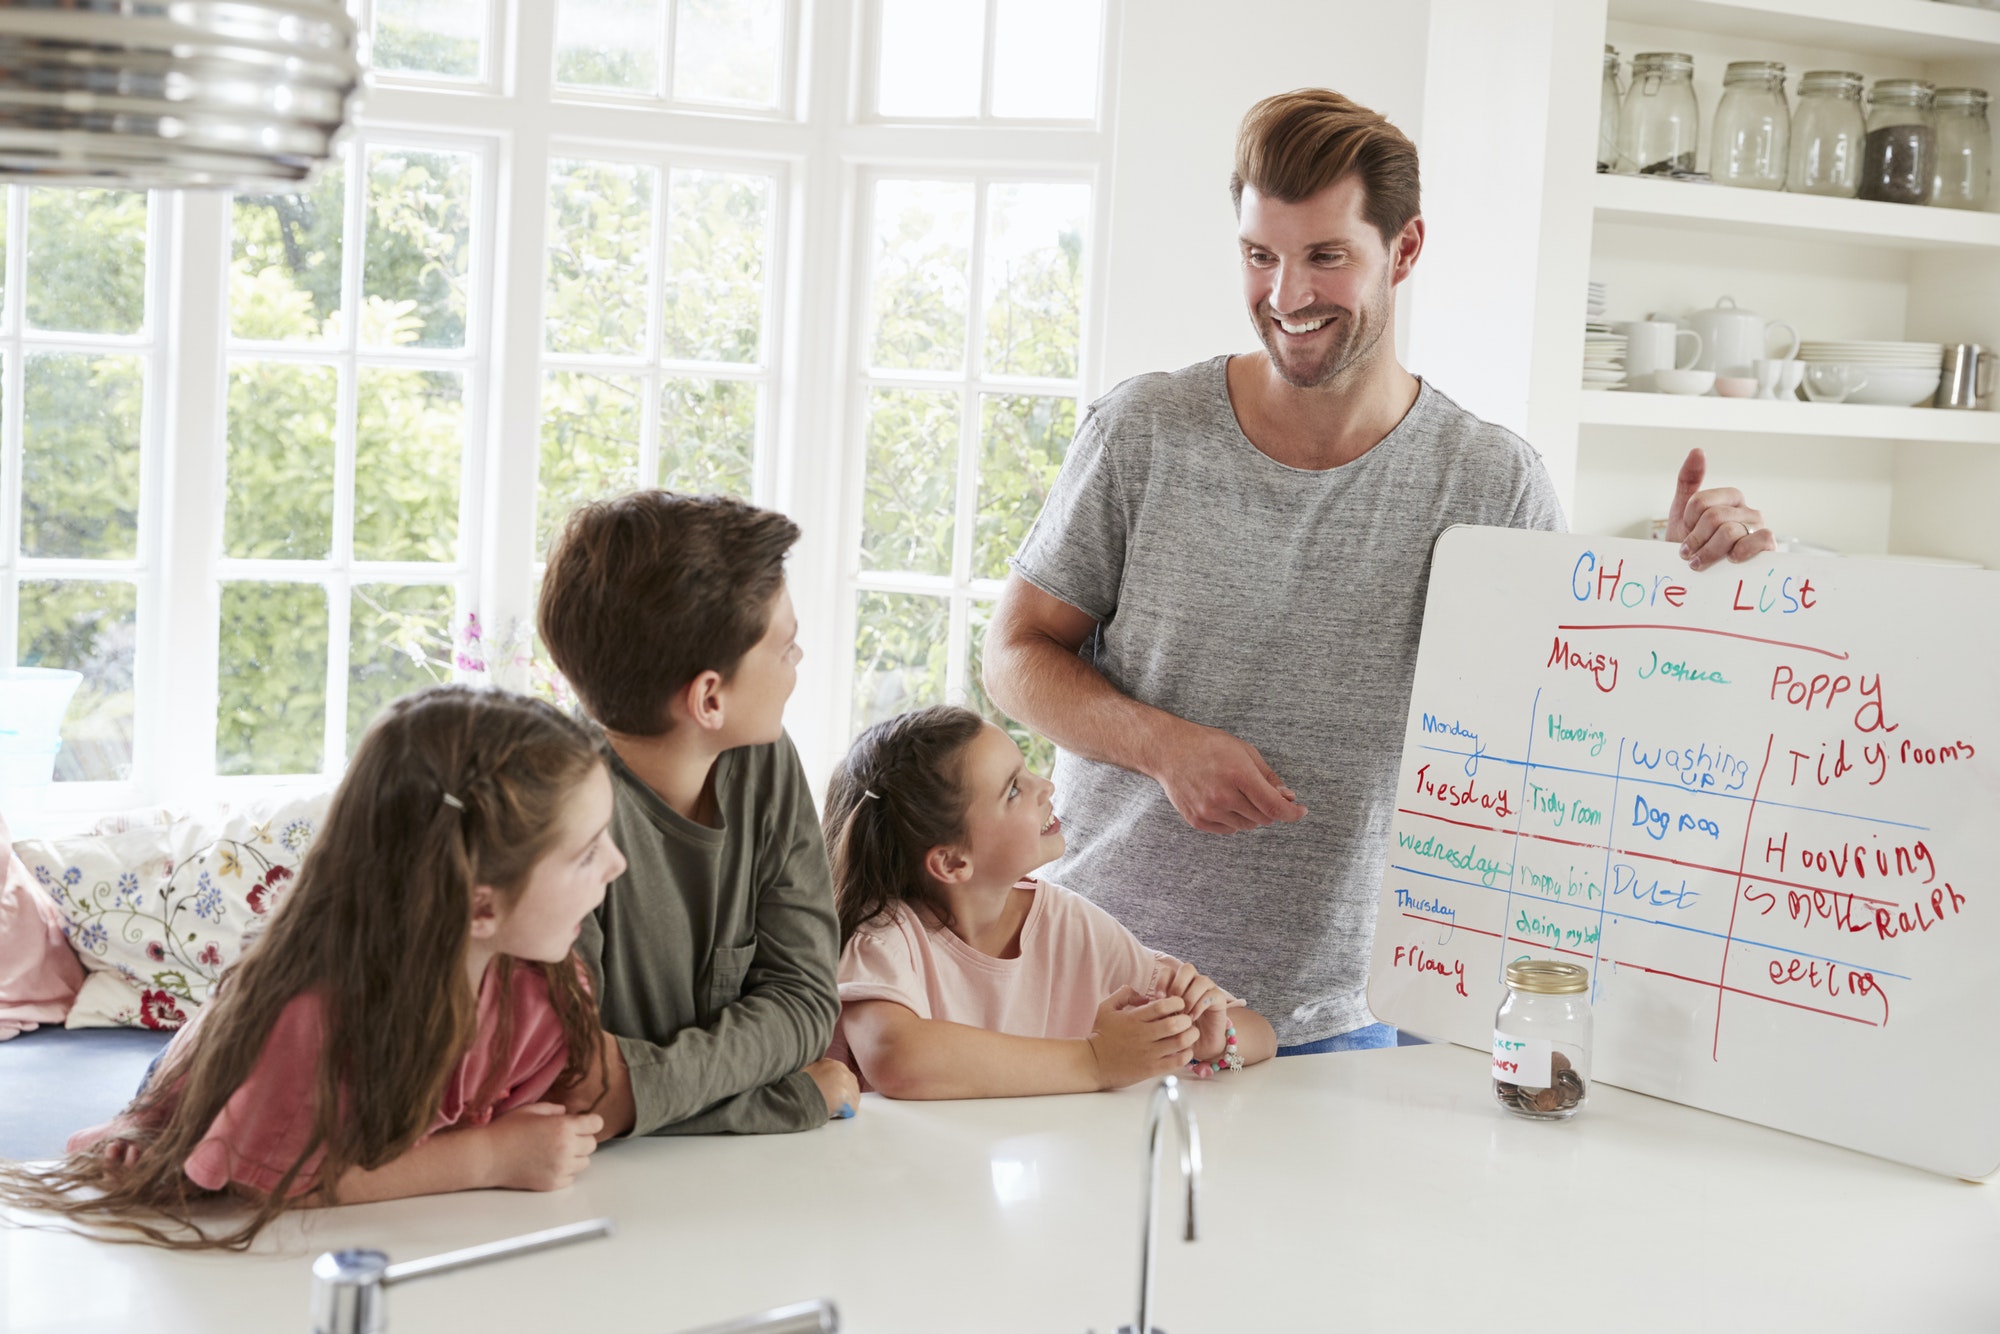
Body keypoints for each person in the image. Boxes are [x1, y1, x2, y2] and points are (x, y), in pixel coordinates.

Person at [982, 88, 1778, 1056]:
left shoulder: (1488, 480)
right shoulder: (1143, 432)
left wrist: (1691, 579)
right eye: (1258, 255)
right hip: (1094, 986)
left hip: (1331, 1020)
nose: (1284, 296)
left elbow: (1575, 721)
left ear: (1401, 252)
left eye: (1324, 256)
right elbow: (1013, 653)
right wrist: (1162, 746)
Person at [0, 685, 623, 1248]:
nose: (617, 865)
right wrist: (489, 1160)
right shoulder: (316, 1013)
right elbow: (280, 1177)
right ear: (481, 904)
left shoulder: (546, 987)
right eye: (588, 852)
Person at [537, 490, 855, 1135]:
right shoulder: (551, 814)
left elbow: (804, 1002)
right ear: (709, 698)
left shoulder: (763, 760)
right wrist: (784, 1099)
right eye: (785, 647)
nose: (798, 664)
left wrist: (641, 1091)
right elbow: (575, 1093)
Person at [823, 705, 1276, 1098]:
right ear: (952, 862)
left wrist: (1215, 1041)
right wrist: (1095, 1062)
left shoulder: (1069, 924)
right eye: (1014, 790)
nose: (1046, 787)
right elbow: (898, 1059)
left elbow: (1262, 1034)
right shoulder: (885, 936)